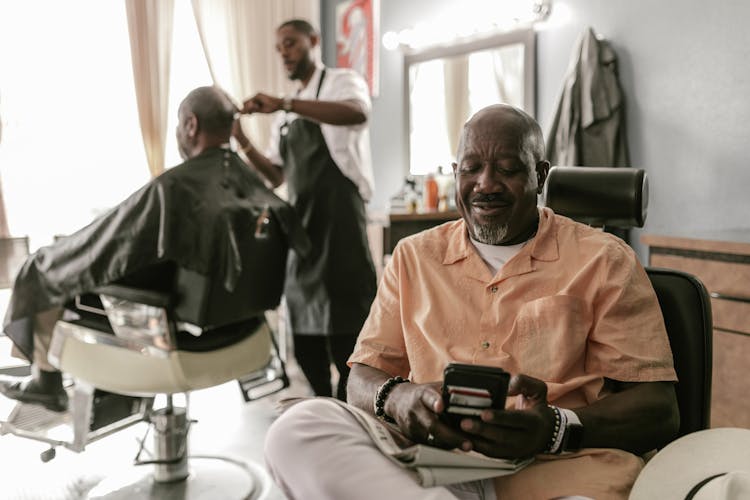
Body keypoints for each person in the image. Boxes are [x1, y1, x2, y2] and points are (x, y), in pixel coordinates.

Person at [263, 104, 680, 500]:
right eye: (471, 169)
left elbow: (659, 409)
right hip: (435, 470)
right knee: (296, 429)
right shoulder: (414, 256)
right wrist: (398, 396)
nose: (486, 184)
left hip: (559, 469)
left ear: (540, 174)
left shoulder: (603, 259)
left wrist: (556, 426)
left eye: (508, 169)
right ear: (455, 173)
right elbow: (362, 376)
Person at [0, 86, 306, 412]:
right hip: (244, 329)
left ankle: (46, 381)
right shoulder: (248, 183)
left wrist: (57, 255)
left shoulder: (174, 187)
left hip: (175, 334)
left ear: (190, 124)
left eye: (177, 123)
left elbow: (104, 248)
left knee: (46, 267)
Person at [232, 19, 377, 401]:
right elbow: (276, 175)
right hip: (301, 234)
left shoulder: (341, 83)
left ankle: (352, 408)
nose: (285, 53)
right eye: (280, 48)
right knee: (305, 337)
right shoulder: (284, 118)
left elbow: (357, 113)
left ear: (313, 41)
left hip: (341, 226)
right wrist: (241, 138)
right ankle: (323, 402)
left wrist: (285, 102)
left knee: (348, 334)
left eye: (291, 43)